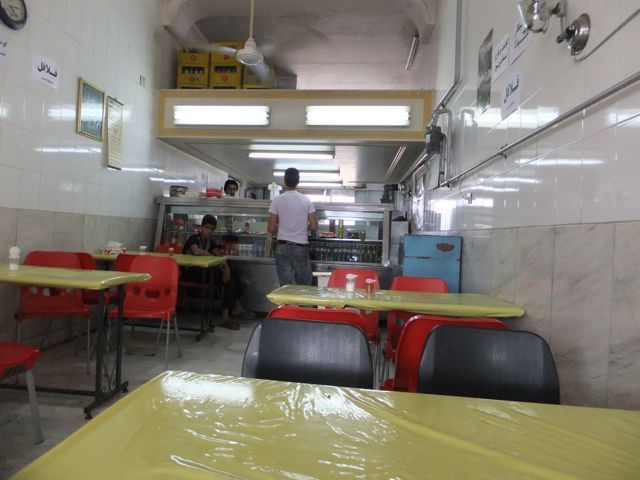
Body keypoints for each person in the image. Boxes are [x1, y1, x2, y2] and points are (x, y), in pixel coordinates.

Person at [182, 214, 250, 330]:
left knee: (231, 274)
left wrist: (225, 265)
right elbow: (197, 251)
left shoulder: (211, 242)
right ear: (202, 227)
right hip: (190, 274)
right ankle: (235, 309)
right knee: (228, 277)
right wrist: (217, 261)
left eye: (212, 229)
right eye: (207, 228)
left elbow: (219, 255)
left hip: (204, 273)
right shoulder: (193, 239)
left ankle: (227, 315)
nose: (209, 231)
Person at [267, 168, 318, 286]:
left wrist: (282, 226)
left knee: (285, 286)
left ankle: (286, 299)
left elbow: (271, 228)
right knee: (304, 287)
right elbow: (314, 227)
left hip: (282, 247)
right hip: (300, 247)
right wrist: (303, 226)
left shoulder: (277, 200)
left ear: (284, 180)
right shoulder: (306, 200)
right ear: (298, 181)